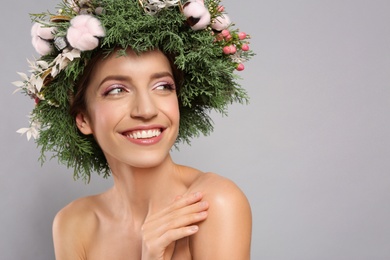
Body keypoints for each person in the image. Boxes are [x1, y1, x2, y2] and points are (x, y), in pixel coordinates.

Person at [15, 0, 254, 259]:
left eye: (163, 86)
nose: (146, 110)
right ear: (83, 119)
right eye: (117, 90)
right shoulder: (74, 223)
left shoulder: (213, 203)